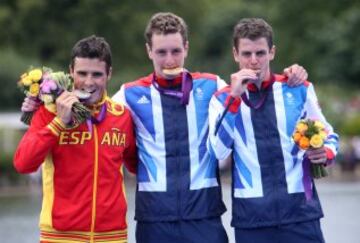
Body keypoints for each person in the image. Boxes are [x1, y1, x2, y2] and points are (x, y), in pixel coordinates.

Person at [112, 12, 308, 243]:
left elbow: (255, 90)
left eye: (175, 51)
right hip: (154, 219)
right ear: (149, 51)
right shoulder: (129, 93)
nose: (169, 61)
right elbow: (100, 122)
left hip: (204, 216)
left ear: (186, 48)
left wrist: (290, 75)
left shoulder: (212, 84)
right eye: (161, 52)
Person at [208, 18, 339, 243]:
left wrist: (325, 152)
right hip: (252, 218)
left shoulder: (298, 89)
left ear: (272, 52)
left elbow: (329, 135)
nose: (254, 61)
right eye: (247, 54)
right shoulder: (223, 99)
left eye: (260, 53)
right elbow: (218, 153)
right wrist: (235, 98)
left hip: (301, 214)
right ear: (235, 54)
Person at [14, 35, 137, 243]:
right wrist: (60, 123)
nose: (88, 82)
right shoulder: (49, 112)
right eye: (82, 73)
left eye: (97, 74)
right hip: (60, 237)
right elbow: (23, 164)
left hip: (112, 237)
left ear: (109, 74)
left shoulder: (122, 116)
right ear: (71, 71)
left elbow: (137, 165)